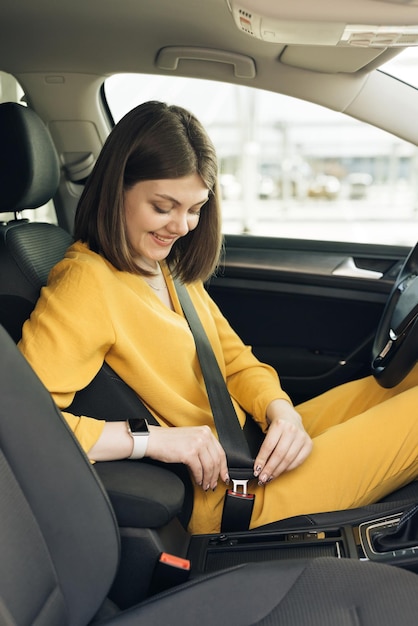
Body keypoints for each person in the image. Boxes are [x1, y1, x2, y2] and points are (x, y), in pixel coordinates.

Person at [18, 101, 418, 535]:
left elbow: (234, 361)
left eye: (195, 209)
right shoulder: (85, 283)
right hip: (230, 495)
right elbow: (25, 424)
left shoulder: (165, 267)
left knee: (407, 377)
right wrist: (152, 440)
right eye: (163, 206)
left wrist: (281, 412)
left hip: (250, 444)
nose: (182, 226)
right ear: (118, 189)